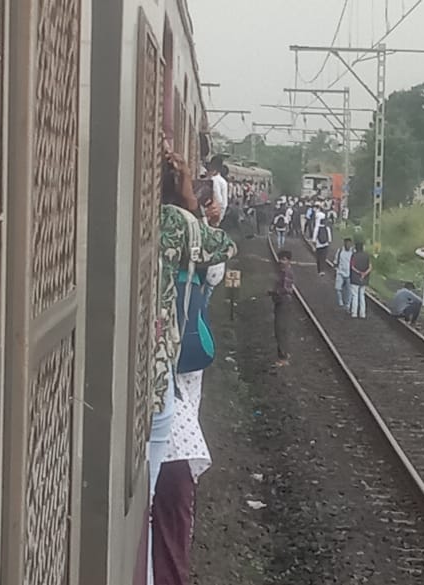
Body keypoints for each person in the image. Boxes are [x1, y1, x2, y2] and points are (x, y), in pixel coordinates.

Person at [151, 146, 236, 585]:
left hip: (163, 382)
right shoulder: (183, 227)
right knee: (172, 500)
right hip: (170, 388)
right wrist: (196, 213)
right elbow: (223, 251)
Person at [270, 250, 296, 366]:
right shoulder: (283, 271)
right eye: (280, 259)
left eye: (284, 259)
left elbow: (286, 289)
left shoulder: (287, 272)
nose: (281, 261)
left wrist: (273, 292)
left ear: (289, 260)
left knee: (280, 329)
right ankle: (285, 353)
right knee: (282, 329)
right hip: (281, 302)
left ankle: (283, 358)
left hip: (283, 302)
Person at [349, 242, 372, 319]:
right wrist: (364, 274)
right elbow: (370, 267)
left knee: (355, 295)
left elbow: (352, 266)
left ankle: (354, 313)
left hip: (355, 278)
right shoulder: (367, 256)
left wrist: (359, 272)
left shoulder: (354, 255)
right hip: (364, 279)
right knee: (362, 296)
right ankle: (362, 313)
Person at [334, 237, 354, 308]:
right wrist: (336, 267)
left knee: (349, 290)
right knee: (338, 288)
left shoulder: (353, 252)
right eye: (347, 243)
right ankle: (340, 301)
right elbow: (336, 260)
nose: (348, 245)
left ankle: (348, 304)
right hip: (340, 272)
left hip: (349, 274)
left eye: (349, 244)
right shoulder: (340, 251)